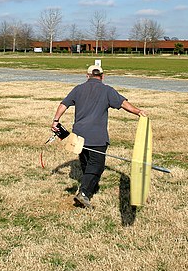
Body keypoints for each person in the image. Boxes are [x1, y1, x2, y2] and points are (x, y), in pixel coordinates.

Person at [51, 64, 147, 209]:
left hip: (79, 135)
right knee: (96, 165)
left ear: (87, 76)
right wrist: (138, 112)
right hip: (97, 137)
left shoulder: (78, 89)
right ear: (102, 76)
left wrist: (56, 121)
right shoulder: (107, 90)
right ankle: (84, 193)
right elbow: (123, 104)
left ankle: (90, 187)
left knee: (86, 162)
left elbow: (64, 104)